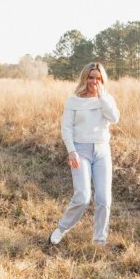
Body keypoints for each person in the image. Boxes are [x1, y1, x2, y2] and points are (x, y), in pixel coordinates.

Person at [49, 62, 120, 248]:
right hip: (80, 151)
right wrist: (71, 151)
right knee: (82, 196)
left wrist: (102, 97)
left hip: (102, 151)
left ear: (102, 80)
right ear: (84, 78)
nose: (93, 81)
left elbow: (114, 118)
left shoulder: (107, 99)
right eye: (90, 77)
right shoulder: (74, 100)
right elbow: (66, 128)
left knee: (104, 199)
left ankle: (99, 240)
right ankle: (62, 228)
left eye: (98, 78)